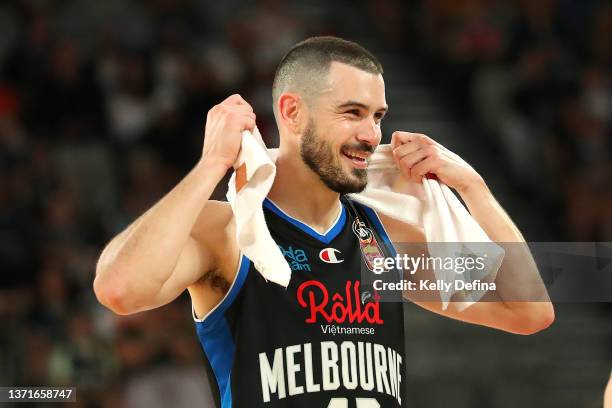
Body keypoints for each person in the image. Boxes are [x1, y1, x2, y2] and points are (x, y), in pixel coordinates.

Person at [94, 36, 554, 407]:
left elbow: (529, 311)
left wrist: (474, 188)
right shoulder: (230, 231)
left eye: (377, 117)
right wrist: (212, 163)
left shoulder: (385, 239)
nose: (372, 134)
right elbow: (119, 288)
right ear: (293, 112)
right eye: (352, 112)